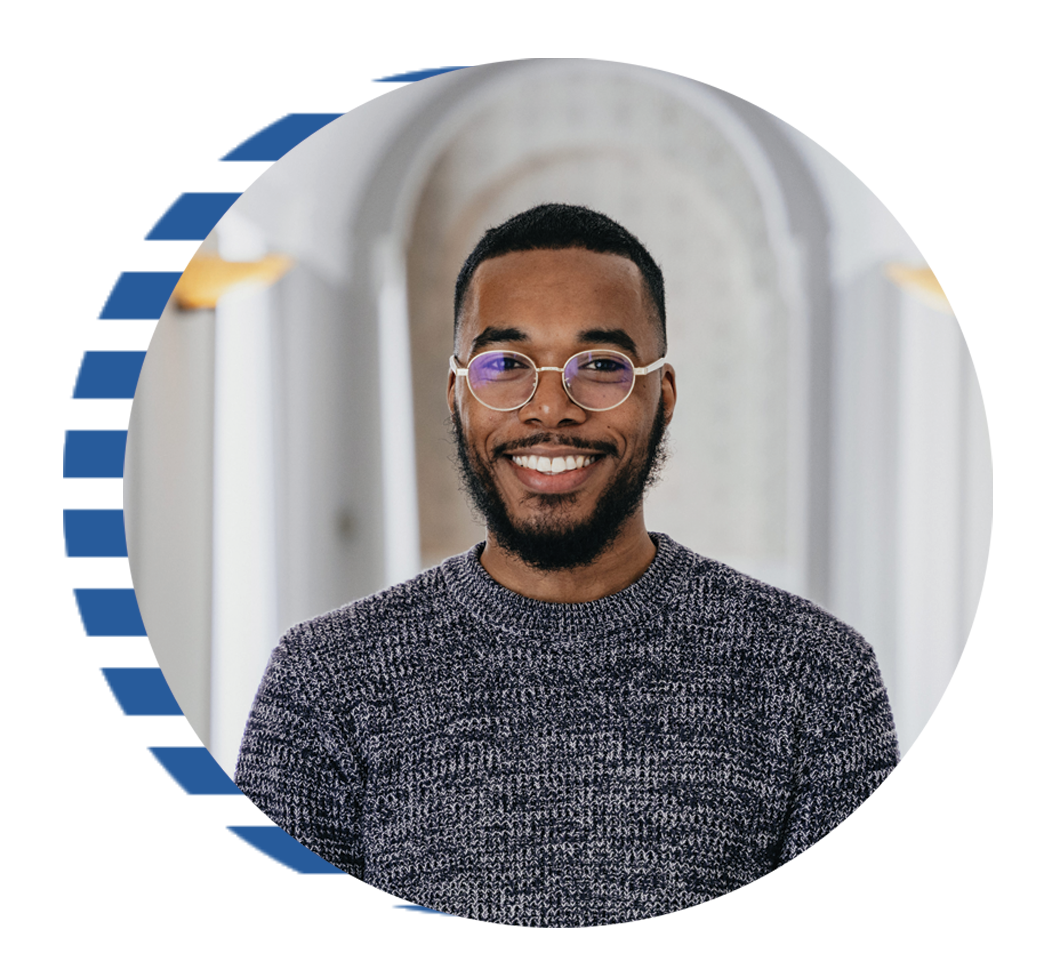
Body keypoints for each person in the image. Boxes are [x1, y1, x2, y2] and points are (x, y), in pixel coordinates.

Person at [235, 204, 899, 928]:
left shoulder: (818, 677)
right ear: (458, 396)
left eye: (603, 367)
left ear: (663, 398)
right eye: (506, 365)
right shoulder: (324, 681)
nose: (551, 406)